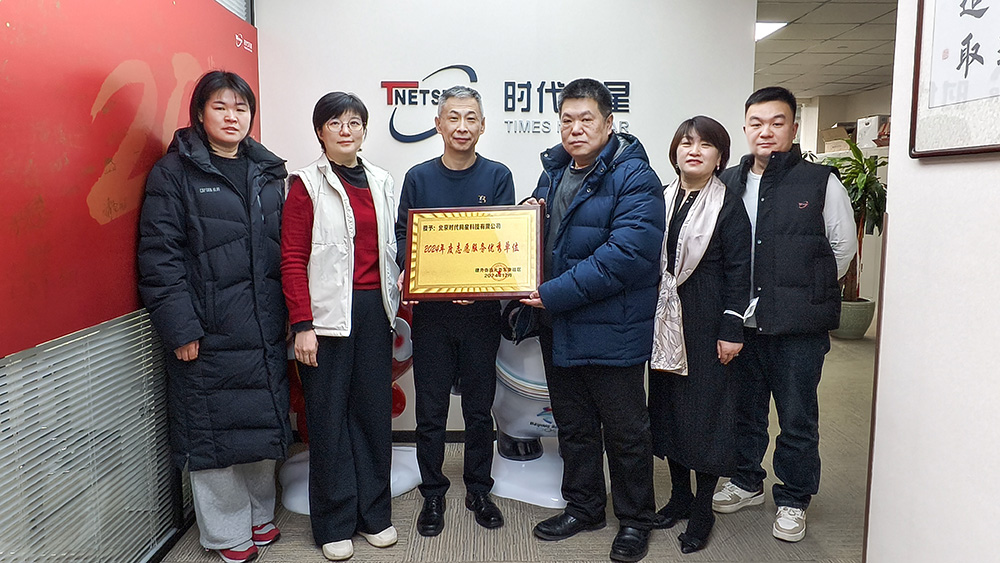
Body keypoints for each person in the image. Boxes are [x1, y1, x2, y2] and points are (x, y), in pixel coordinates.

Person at [137, 70, 290, 563]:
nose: (231, 117)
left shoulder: (268, 171)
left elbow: (286, 251)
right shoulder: (174, 173)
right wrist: (180, 328)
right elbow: (159, 258)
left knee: (260, 423)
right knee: (213, 432)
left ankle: (259, 514)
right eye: (220, 107)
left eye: (240, 108)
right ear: (200, 113)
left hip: (263, 324)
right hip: (207, 328)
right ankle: (226, 533)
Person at [521, 78, 664, 563]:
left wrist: (550, 294)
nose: (576, 129)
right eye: (567, 120)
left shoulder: (636, 177)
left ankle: (635, 519)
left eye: (586, 119)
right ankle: (584, 507)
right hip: (560, 326)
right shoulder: (553, 172)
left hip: (611, 328)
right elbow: (538, 240)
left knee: (626, 432)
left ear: (608, 122)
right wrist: (526, 220)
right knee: (574, 426)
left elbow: (626, 256)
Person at [712, 86, 857, 543]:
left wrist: (806, 292)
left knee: (797, 417)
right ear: (744, 128)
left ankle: (793, 498)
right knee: (745, 411)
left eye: (777, 123)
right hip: (742, 325)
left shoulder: (820, 181)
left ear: (793, 128)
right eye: (757, 123)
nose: (766, 131)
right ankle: (746, 481)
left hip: (798, 327)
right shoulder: (728, 182)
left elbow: (842, 248)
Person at [280, 92, 400, 561]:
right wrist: (302, 324)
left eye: (354, 122)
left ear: (365, 130)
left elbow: (394, 247)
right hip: (326, 319)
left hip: (375, 313)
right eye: (335, 122)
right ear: (320, 132)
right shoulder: (305, 184)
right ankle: (333, 523)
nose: (346, 130)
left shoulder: (382, 180)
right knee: (328, 422)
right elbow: (292, 259)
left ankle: (374, 515)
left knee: (372, 417)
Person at [394, 85, 515, 537]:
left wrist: (478, 286)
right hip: (432, 315)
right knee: (430, 410)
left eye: (471, 118)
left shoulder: (498, 176)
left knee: (480, 410)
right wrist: (423, 275)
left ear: (482, 126)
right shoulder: (419, 177)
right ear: (438, 124)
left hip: (481, 315)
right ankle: (433, 492)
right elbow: (404, 237)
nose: (462, 126)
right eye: (453, 117)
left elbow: (504, 239)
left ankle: (479, 489)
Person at [647, 116, 751, 554]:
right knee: (669, 410)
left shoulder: (728, 206)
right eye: (686, 143)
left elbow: (739, 273)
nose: (694, 150)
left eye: (706, 145)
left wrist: (731, 328)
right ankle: (679, 497)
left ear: (720, 157)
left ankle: (703, 508)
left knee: (706, 415)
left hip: (708, 322)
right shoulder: (660, 197)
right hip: (666, 320)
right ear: (675, 151)